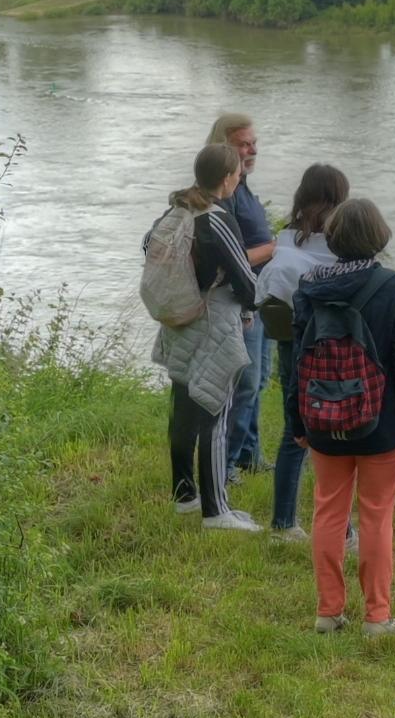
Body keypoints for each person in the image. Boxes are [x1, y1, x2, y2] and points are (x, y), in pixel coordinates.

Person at [288, 196, 395, 638]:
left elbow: (295, 362)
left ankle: (328, 612)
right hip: (380, 421)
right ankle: (377, 616)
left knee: (328, 512)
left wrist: (297, 421)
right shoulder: (392, 286)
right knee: (375, 515)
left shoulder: (307, 286)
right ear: (379, 237)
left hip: (322, 418)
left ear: (332, 239)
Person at [150, 142, 263, 532]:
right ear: (227, 179)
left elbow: (147, 247)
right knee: (216, 411)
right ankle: (217, 511)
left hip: (179, 319)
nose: (238, 179)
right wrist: (251, 306)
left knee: (183, 406)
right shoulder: (217, 218)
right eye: (236, 174)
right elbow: (246, 278)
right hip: (214, 323)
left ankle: (185, 496)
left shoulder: (176, 210)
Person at [256, 162, 350, 538]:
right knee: (338, 437)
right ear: (340, 198)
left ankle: (283, 521)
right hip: (332, 349)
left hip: (290, 344)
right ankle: (341, 529)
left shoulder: (286, 238)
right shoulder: (340, 243)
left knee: (294, 433)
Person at [207, 110, 278, 476]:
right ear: (223, 146)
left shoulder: (243, 183)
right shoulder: (224, 193)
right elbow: (230, 258)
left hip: (261, 296)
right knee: (245, 383)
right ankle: (227, 465)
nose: (252, 150)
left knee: (261, 379)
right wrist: (276, 248)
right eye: (243, 144)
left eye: (254, 143)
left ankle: (250, 455)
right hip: (239, 303)